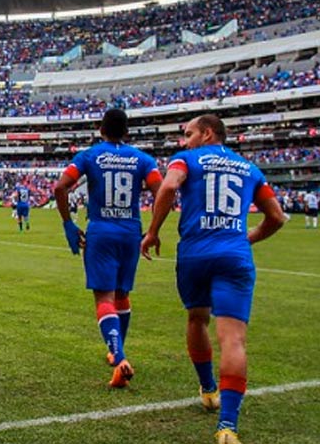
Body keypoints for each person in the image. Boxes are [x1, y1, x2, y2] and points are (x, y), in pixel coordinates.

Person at [141, 114, 286, 444]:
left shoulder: (187, 159)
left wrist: (152, 232)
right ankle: (227, 427)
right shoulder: (249, 168)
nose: (185, 140)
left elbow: (168, 186)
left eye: (189, 133)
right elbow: (276, 217)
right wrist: (245, 238)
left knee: (196, 318)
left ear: (207, 134)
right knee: (233, 339)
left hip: (194, 253)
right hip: (234, 256)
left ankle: (208, 390)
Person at [52, 108, 162, 388]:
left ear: (101, 129)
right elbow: (163, 191)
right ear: (127, 132)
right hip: (130, 232)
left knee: (104, 298)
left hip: (101, 231)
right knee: (122, 295)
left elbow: (60, 187)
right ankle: (116, 349)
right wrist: (154, 229)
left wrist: (68, 223)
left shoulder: (90, 156)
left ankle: (119, 356)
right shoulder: (142, 159)